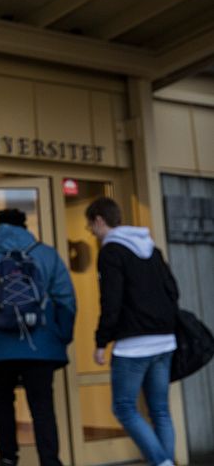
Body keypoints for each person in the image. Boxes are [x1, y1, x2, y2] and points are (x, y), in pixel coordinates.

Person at [0, 208, 76, 466]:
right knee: (42, 405)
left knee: (2, 401)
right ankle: (50, 461)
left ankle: (8, 457)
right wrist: (61, 336)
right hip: (40, 346)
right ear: (25, 225)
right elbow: (67, 298)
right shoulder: (46, 254)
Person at [86, 197, 178, 466]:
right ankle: (165, 460)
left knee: (124, 407)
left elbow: (111, 301)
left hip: (134, 345)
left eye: (90, 225)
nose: (91, 231)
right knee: (160, 410)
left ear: (100, 220)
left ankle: (162, 462)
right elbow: (173, 290)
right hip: (165, 341)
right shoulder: (152, 249)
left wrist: (101, 341)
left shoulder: (111, 251)